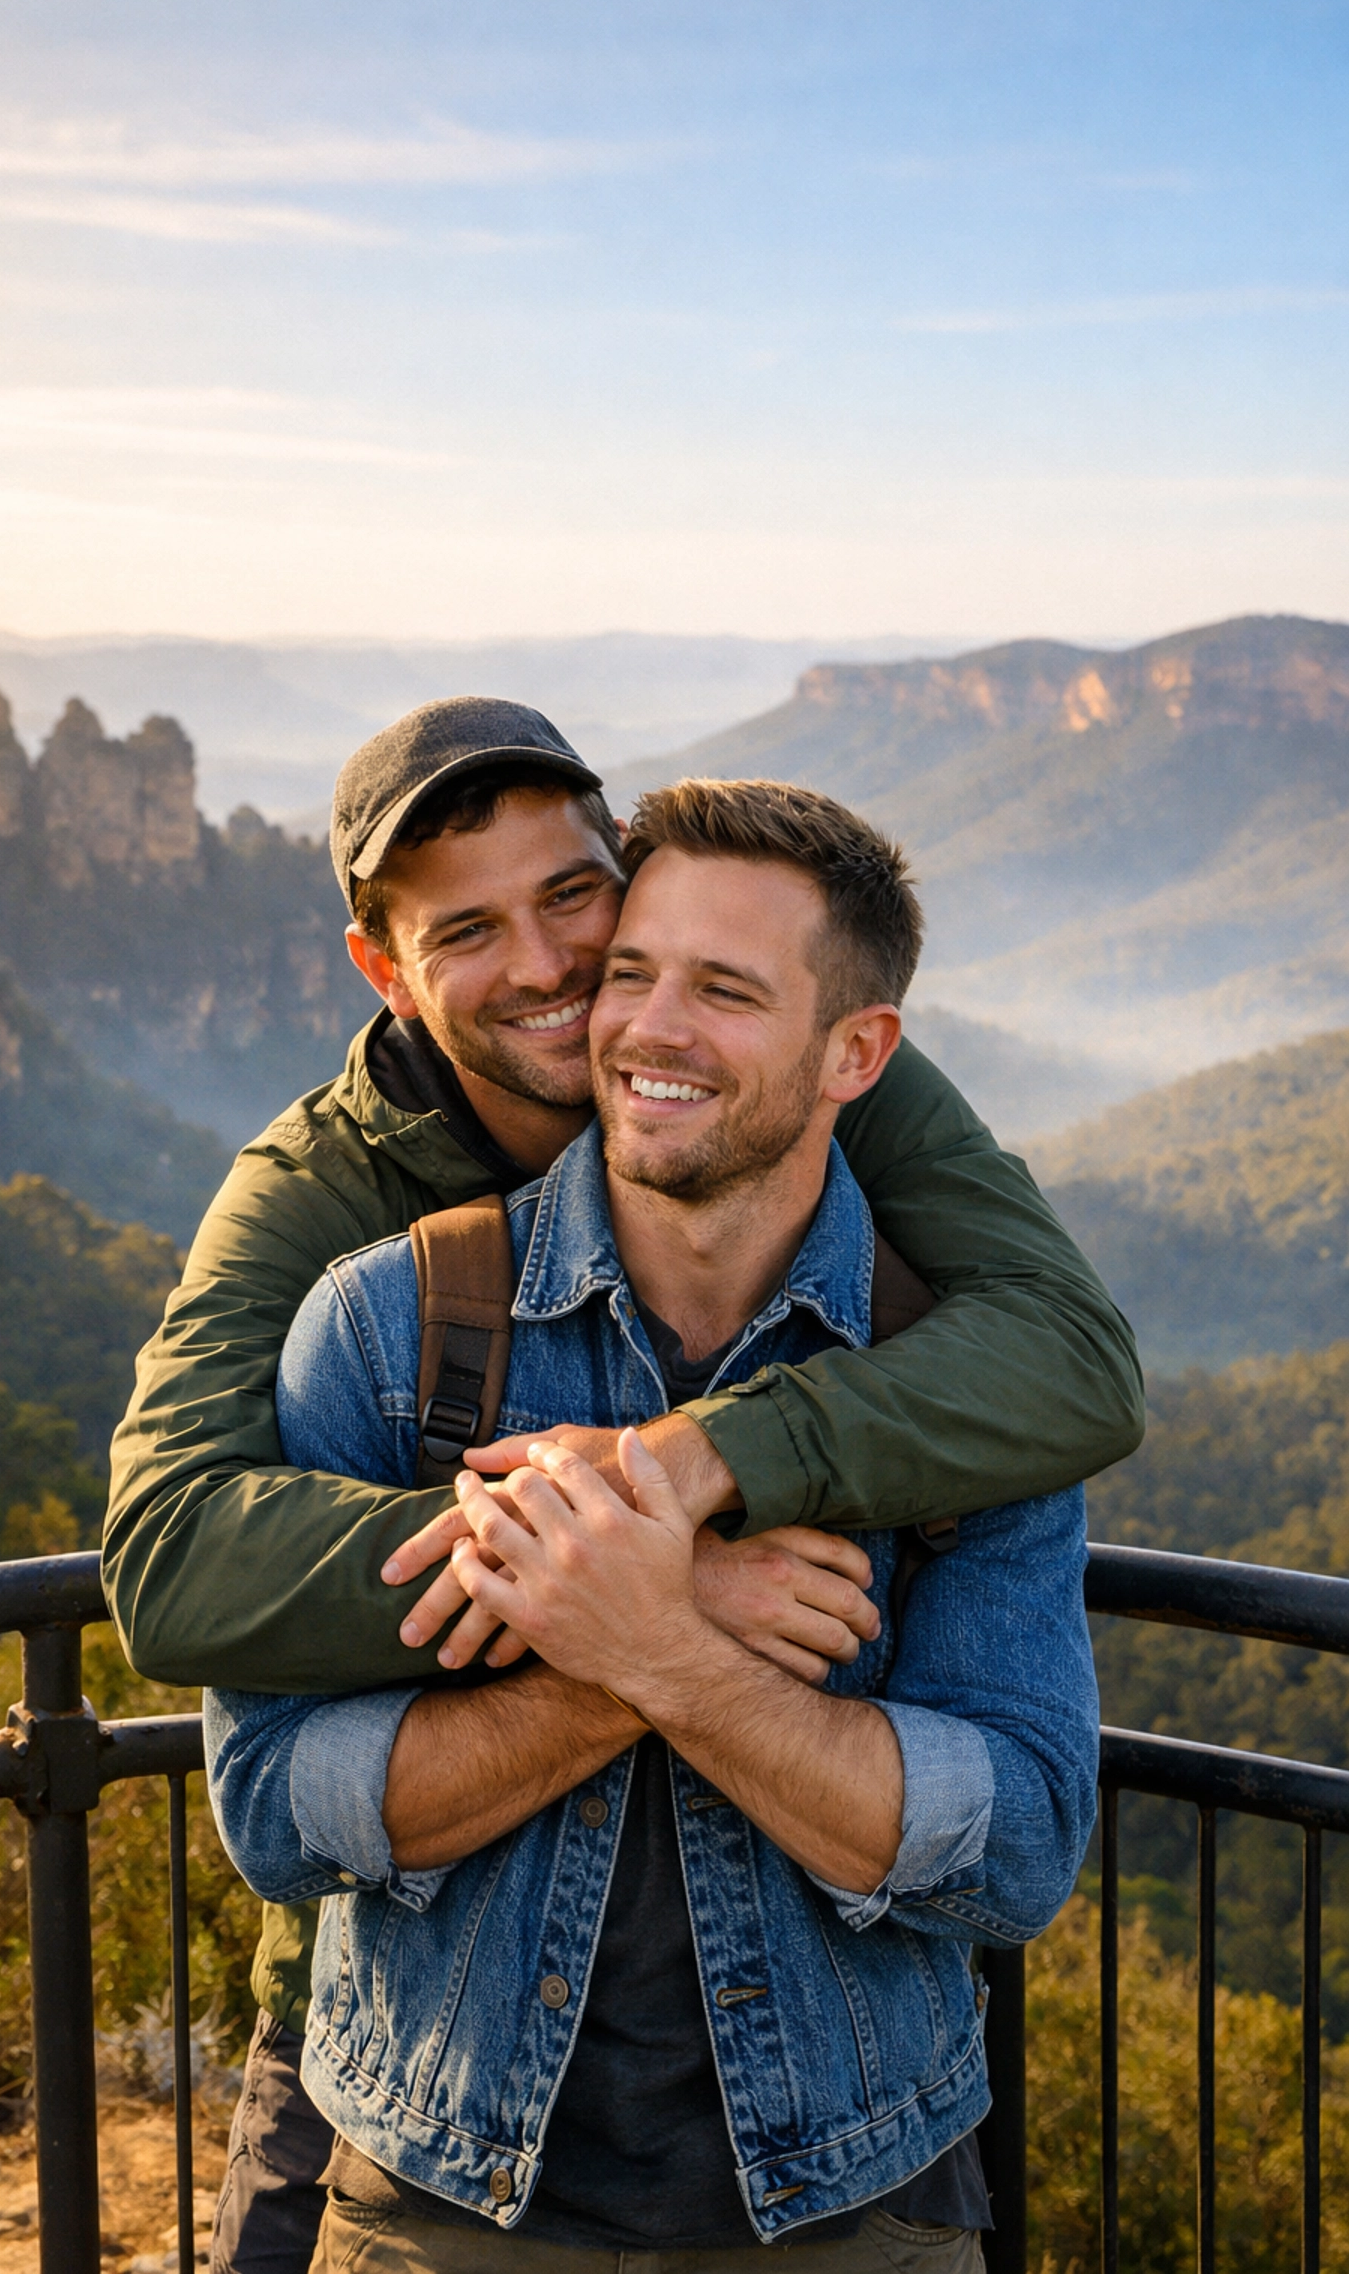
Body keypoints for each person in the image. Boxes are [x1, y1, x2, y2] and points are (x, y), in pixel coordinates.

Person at [102, 700, 1140, 2271]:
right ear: (385, 968)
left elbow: (1071, 1365)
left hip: (838, 2147)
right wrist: (651, 1588)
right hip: (402, 2061)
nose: (555, 970)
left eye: (575, 898)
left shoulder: (814, 1079)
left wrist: (679, 1470)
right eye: (467, 930)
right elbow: (177, 1562)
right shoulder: (335, 1222)